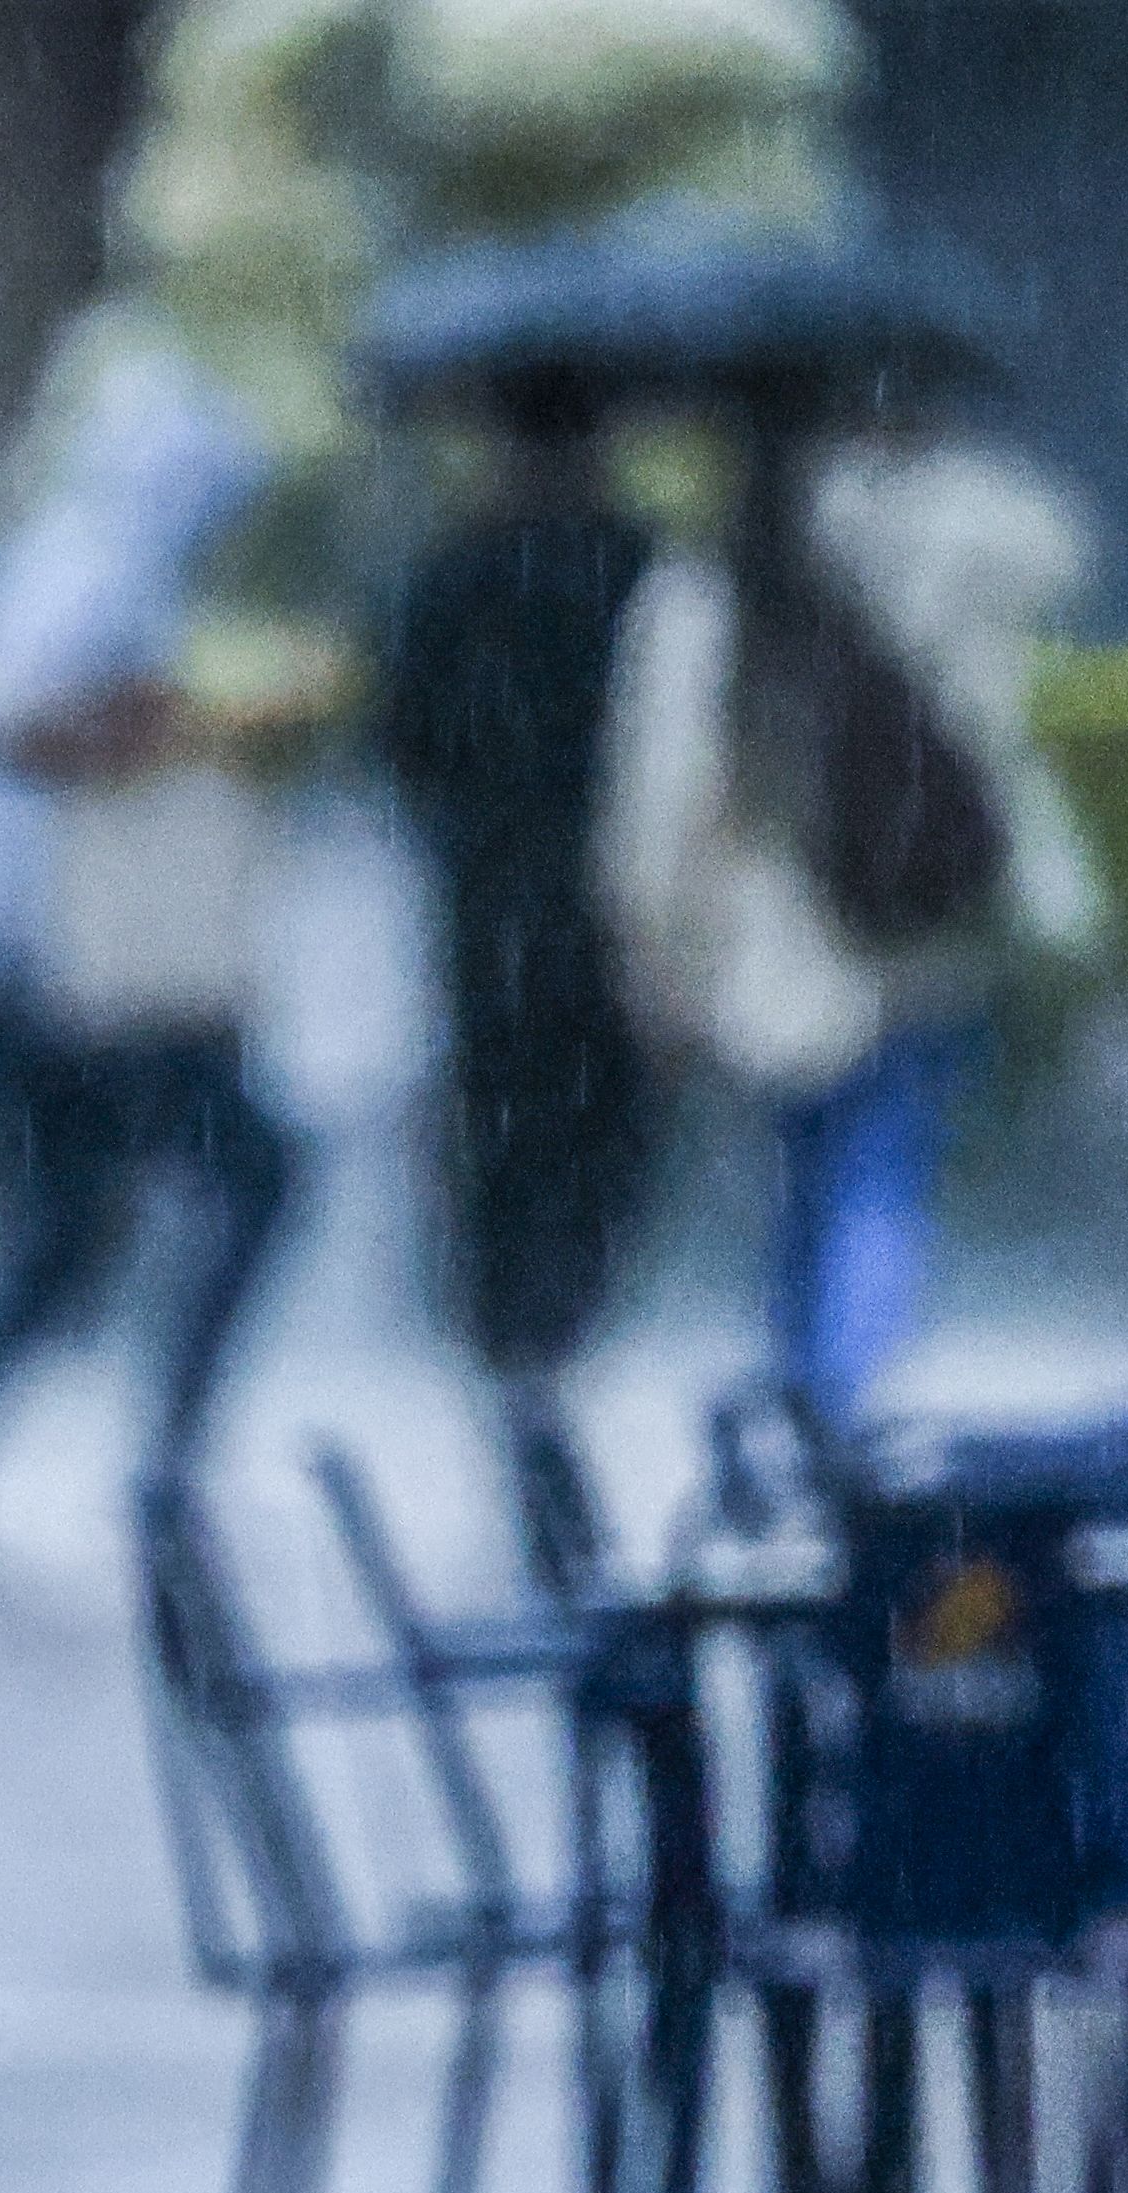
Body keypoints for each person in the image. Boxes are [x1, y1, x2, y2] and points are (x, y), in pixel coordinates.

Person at [0, 332, 316, 1561]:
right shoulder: (92, 573)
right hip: (49, 962)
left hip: (23, 959)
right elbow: (27, 736)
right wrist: (198, 724)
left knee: (67, 1225)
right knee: (236, 1178)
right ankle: (157, 1457)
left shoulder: (77, 564)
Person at [600, 385, 1105, 1428]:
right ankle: (845, 1390)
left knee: (805, 1173)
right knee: (885, 1162)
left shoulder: (708, 582)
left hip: (783, 944)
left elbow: (663, 797)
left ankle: (817, 1391)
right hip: (928, 917)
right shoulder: (955, 536)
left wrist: (658, 947)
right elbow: (1061, 552)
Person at [375, 359, 665, 1588]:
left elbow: (403, 748)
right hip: (616, 910)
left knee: (503, 1158)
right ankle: (551, 1359)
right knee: (600, 1156)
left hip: (485, 914)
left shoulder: (447, 575)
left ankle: (521, 1381)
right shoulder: (642, 570)